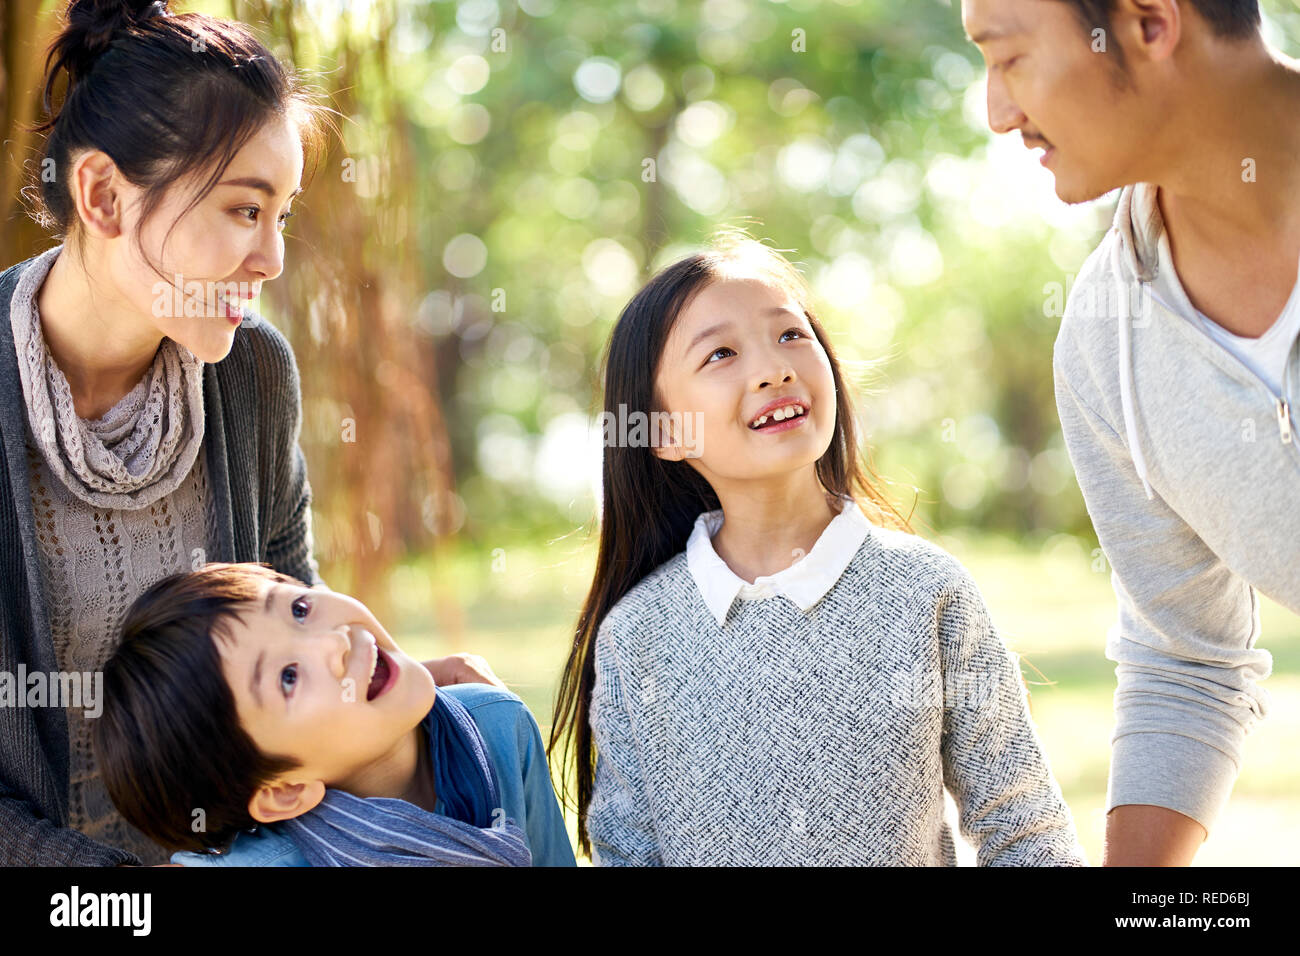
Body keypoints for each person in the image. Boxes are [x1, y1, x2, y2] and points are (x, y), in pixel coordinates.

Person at [0, 0, 493, 867]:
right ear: (104, 195)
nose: (271, 258)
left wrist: (389, 689)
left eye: (283, 215)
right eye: (242, 210)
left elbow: (283, 607)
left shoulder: (250, 373)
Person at [547, 233, 1088, 865]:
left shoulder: (925, 592)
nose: (774, 368)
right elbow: (628, 854)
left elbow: (1025, 830)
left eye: (790, 336)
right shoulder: (635, 637)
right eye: (721, 353)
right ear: (663, 432)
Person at [962, 0, 1300, 864]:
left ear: (1149, 23)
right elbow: (1184, 666)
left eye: (1008, 59)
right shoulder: (1105, 344)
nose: (998, 113)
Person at [90, 562, 576, 867]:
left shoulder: (497, 726)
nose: (334, 642)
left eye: (299, 609)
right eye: (287, 677)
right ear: (284, 791)